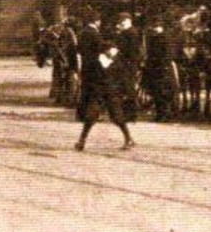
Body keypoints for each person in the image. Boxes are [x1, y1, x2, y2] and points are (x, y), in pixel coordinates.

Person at [75, 12, 133, 152]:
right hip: (102, 88)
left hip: (106, 88)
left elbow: (122, 78)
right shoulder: (101, 58)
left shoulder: (110, 61)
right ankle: (82, 140)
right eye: (111, 50)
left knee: (112, 115)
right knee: (96, 115)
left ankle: (128, 138)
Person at [143, 18, 177, 122]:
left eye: (156, 27)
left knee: (163, 92)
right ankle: (159, 114)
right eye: (154, 27)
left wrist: (163, 65)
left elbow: (168, 54)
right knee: (156, 92)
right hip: (155, 68)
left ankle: (165, 114)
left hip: (163, 69)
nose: (155, 29)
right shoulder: (154, 38)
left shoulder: (166, 38)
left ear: (161, 27)